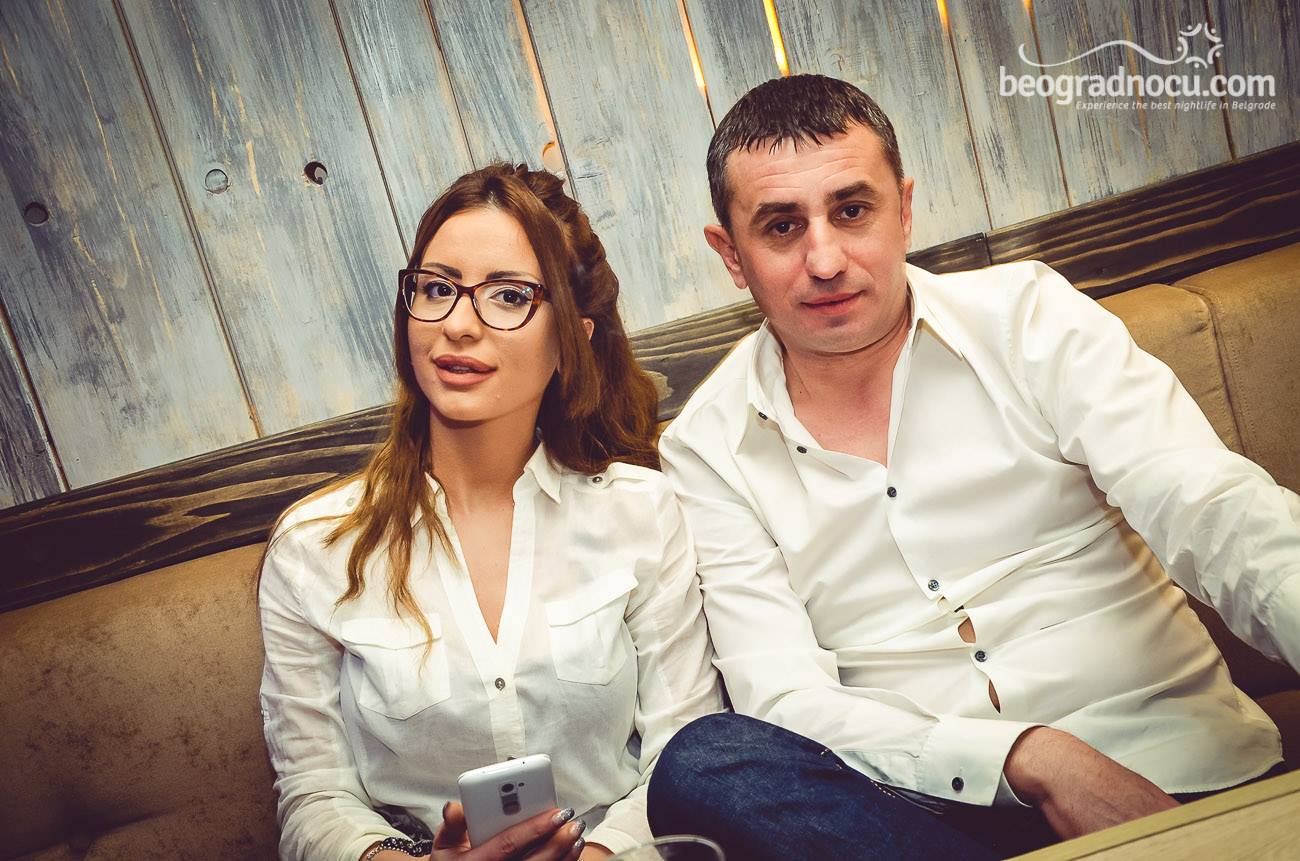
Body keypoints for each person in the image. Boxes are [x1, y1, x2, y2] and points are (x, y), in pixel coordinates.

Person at [648, 74, 1300, 859]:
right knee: (704, 762)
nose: (825, 259)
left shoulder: (1029, 318)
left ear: (903, 209)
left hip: (1167, 767)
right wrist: (1032, 756)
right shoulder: (706, 447)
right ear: (731, 253)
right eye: (782, 226)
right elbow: (785, 698)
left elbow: (1209, 507)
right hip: (927, 821)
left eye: (852, 210)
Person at [258, 164, 723, 861]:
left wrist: (600, 856)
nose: (457, 325)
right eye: (437, 288)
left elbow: (686, 748)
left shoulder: (643, 512)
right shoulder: (313, 548)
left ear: (572, 338)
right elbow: (313, 796)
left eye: (509, 296)